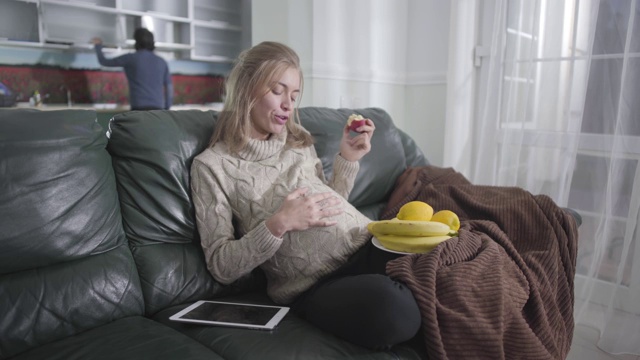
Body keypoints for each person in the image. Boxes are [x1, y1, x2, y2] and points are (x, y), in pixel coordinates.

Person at [190, 41, 421, 350]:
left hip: (368, 243)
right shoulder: (211, 167)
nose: (288, 104)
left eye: (294, 95)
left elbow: (328, 205)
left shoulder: (298, 141)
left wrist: (348, 159)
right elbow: (221, 265)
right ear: (247, 88)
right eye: (277, 90)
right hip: (317, 285)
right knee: (394, 309)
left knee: (455, 256)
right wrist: (278, 225)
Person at [91, 28, 172, 110]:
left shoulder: (131, 58)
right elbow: (169, 87)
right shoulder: (162, 62)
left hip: (138, 107)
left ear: (137, 42)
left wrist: (98, 46)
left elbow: (104, 62)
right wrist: (167, 108)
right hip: (158, 109)